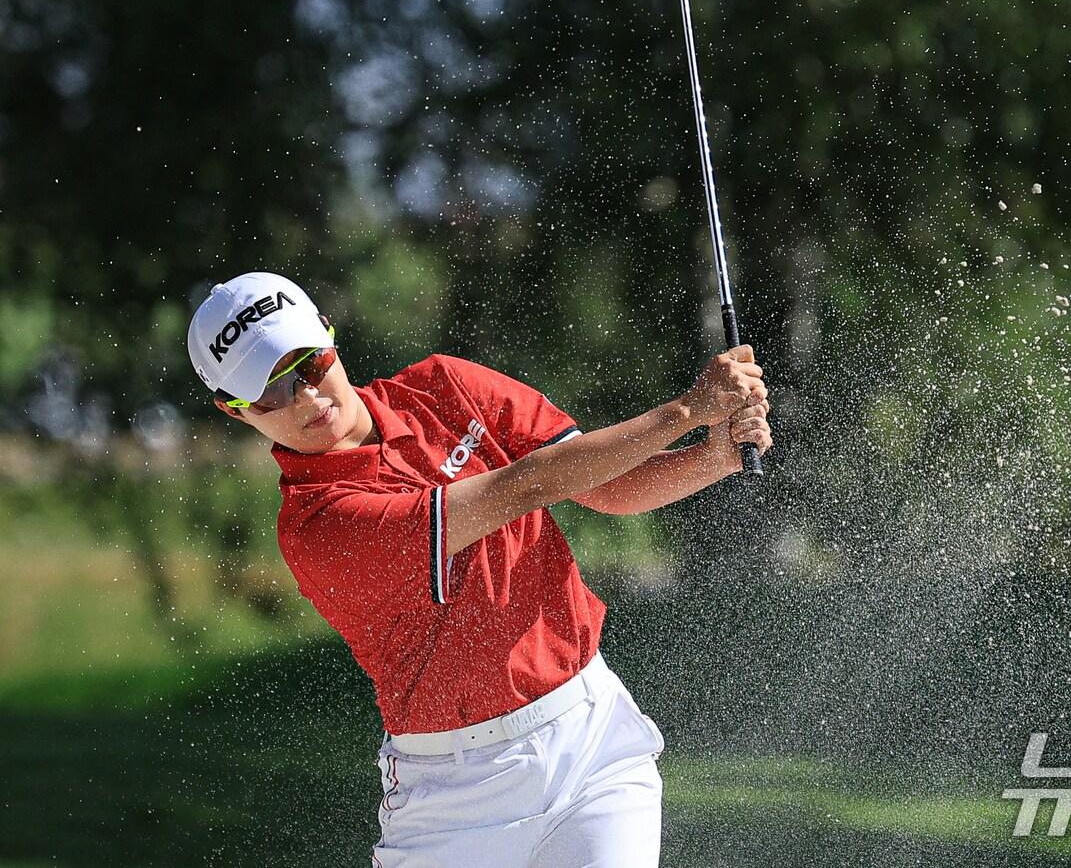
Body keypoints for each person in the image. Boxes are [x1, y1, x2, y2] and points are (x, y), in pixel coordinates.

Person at [185, 272, 771, 868]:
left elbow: (603, 483)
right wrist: (687, 409)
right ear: (235, 411)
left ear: (331, 338)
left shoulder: (446, 385)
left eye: (308, 364)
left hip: (592, 743)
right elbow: (530, 483)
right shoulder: (319, 527)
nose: (306, 399)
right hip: (454, 798)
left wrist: (713, 457)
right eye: (270, 392)